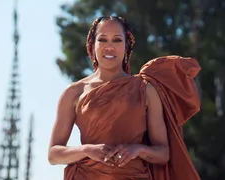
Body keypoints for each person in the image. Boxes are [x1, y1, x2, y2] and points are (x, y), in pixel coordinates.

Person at [48, 16, 201, 180]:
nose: (109, 46)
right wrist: (87, 150)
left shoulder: (145, 89)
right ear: (92, 45)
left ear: (127, 45)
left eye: (117, 40)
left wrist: (137, 150)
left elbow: (163, 153)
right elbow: (54, 154)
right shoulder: (74, 92)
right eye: (103, 39)